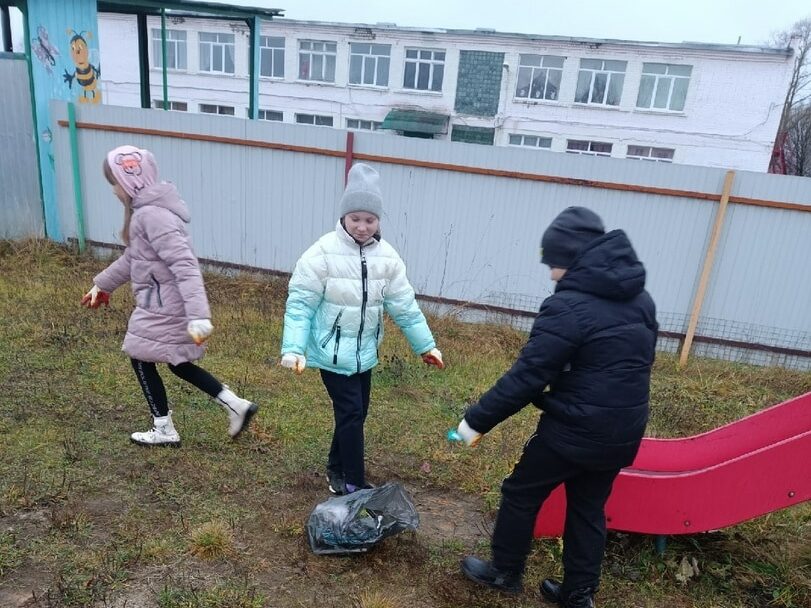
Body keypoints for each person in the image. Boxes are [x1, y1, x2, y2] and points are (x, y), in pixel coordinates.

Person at [456, 207, 657, 607]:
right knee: (588, 509)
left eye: (554, 264)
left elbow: (527, 376)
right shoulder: (641, 299)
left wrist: (474, 422)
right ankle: (578, 595)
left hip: (573, 432)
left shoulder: (568, 308)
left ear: (573, 259)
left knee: (520, 492)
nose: (551, 273)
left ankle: (504, 572)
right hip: (623, 432)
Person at [280, 163, 444, 495]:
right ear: (343, 217)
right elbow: (300, 304)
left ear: (378, 221)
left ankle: (336, 470)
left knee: (357, 413)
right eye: (355, 218)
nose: (362, 226)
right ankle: (354, 483)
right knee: (352, 413)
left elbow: (405, 307)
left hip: (364, 353)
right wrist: (294, 348)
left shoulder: (388, 258)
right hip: (331, 351)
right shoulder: (322, 252)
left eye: (369, 220)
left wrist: (426, 346)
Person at [81, 145, 258, 447]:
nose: (112, 190)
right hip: (163, 303)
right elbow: (133, 259)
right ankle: (235, 404)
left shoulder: (152, 216)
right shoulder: (146, 215)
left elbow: (185, 265)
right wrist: (103, 285)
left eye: (114, 182)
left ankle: (164, 428)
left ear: (130, 181)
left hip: (164, 305)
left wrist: (199, 315)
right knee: (177, 362)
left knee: (140, 358)